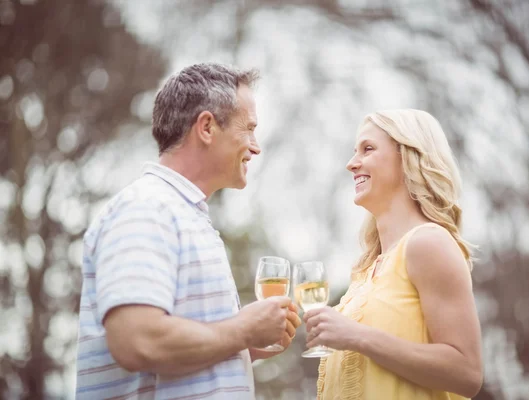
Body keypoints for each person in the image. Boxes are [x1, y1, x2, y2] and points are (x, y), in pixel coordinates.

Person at [76, 63, 301, 399]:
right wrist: (244, 330)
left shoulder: (184, 215)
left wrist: (245, 348)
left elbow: (170, 355)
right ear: (207, 127)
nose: (256, 147)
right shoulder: (147, 209)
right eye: (249, 129)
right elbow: (137, 342)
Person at [304, 109, 483, 399]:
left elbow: (467, 372)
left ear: (407, 158)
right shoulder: (366, 271)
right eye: (355, 151)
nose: (351, 164)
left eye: (368, 149)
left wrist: (357, 336)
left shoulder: (428, 243)